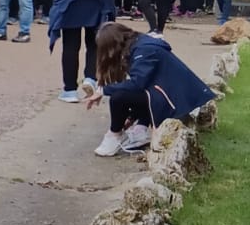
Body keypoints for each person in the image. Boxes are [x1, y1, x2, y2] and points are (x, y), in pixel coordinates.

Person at [86, 21, 214, 158]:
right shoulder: (140, 44)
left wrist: (103, 90)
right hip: (175, 95)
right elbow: (148, 84)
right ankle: (141, 128)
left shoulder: (143, 50)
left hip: (176, 100)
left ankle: (114, 135)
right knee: (134, 91)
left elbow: (138, 84)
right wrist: (133, 116)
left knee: (118, 97)